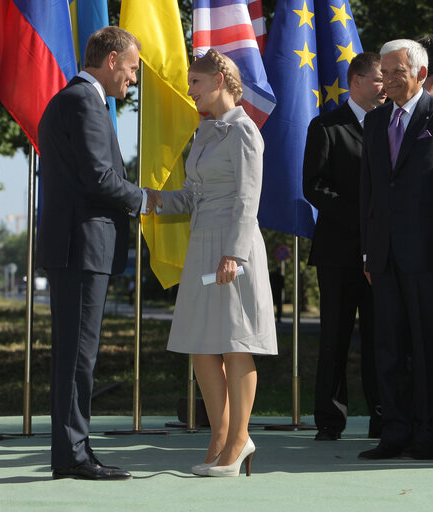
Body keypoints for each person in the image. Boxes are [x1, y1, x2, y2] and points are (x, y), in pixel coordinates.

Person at [146, 49, 277, 477]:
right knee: (202, 344)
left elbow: (247, 198)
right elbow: (191, 196)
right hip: (202, 244)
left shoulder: (244, 132)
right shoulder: (203, 133)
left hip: (232, 247)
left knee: (236, 342)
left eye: (195, 83)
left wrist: (234, 254)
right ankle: (219, 437)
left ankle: (240, 439)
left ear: (219, 79)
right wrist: (146, 199)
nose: (190, 91)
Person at [37, 27, 147, 481]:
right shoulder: (84, 100)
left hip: (79, 248)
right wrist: (146, 198)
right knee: (78, 357)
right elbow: (99, 178)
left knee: (75, 355)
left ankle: (75, 449)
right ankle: (72, 455)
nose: (133, 80)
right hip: (82, 248)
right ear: (113, 58)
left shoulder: (80, 99)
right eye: (132, 69)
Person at [358, 39, 433, 460]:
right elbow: (369, 192)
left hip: (430, 255)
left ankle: (430, 434)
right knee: (388, 347)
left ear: (422, 74)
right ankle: (395, 432)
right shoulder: (375, 121)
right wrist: (369, 253)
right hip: (384, 256)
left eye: (395, 72)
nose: (385, 80)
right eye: (383, 72)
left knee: (429, 348)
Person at [303, 52, 386, 442]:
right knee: (335, 336)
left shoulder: (390, 124)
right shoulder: (327, 126)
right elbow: (314, 186)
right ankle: (329, 419)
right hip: (340, 251)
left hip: (382, 251)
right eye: (378, 78)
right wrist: (361, 217)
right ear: (355, 81)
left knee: (380, 336)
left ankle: (383, 417)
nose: (384, 85)